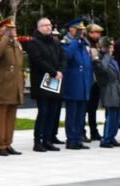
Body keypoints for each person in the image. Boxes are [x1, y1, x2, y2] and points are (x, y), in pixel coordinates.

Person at [25, 17, 65, 152]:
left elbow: (62, 57)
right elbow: (38, 60)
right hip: (41, 83)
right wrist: (53, 72)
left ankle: (48, 140)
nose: (48, 27)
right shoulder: (34, 43)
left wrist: (60, 71)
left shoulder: (54, 43)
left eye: (49, 25)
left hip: (54, 81)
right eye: (45, 26)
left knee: (53, 112)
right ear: (39, 28)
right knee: (43, 111)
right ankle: (38, 141)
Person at [0, 17, 24, 156]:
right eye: (9, 29)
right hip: (2, 86)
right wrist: (4, 38)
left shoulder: (15, 44)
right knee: (1, 118)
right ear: (2, 31)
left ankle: (8, 143)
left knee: (11, 117)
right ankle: (1, 145)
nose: (13, 31)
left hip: (14, 86)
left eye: (13, 29)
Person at [61, 19, 93, 150]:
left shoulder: (84, 44)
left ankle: (78, 137)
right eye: (78, 30)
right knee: (72, 114)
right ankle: (71, 139)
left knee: (81, 114)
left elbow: (88, 64)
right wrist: (76, 41)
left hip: (84, 84)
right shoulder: (67, 43)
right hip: (73, 84)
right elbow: (67, 56)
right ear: (71, 30)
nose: (81, 33)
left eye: (82, 30)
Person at [94, 36, 120, 149]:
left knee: (117, 116)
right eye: (110, 46)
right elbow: (103, 69)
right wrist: (106, 54)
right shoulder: (99, 58)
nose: (112, 49)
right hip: (108, 89)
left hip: (117, 89)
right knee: (111, 115)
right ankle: (106, 138)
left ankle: (112, 136)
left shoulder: (112, 59)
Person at [85, 23, 105, 141]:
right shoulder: (87, 45)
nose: (98, 35)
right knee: (85, 107)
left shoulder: (97, 45)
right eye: (95, 32)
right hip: (89, 79)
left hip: (97, 79)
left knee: (93, 107)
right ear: (89, 33)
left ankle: (94, 130)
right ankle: (82, 131)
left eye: (99, 33)